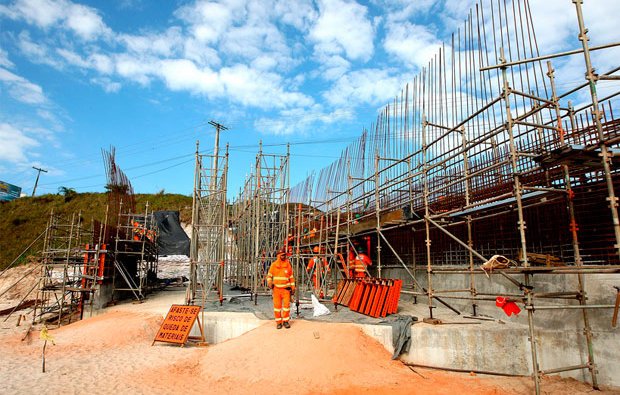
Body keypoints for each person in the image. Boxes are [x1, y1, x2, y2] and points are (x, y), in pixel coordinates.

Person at [267, 250, 296, 329]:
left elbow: (291, 277)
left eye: (285, 255)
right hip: (276, 290)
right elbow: (269, 276)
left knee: (286, 306)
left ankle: (286, 321)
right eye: (282, 255)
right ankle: (279, 322)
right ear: (278, 256)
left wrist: (293, 288)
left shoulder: (288, 265)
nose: (284, 256)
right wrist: (270, 283)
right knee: (277, 307)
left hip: (286, 290)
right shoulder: (273, 265)